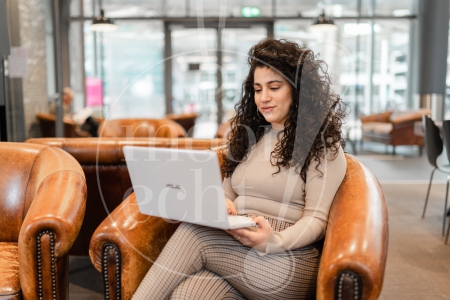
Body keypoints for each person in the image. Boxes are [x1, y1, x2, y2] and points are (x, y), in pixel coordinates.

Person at [132, 38, 348, 300]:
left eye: (274, 87)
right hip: (237, 247)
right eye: (257, 89)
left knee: (195, 233)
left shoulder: (322, 145)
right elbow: (228, 192)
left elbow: (317, 220)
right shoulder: (250, 137)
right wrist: (224, 204)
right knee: (188, 294)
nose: (264, 98)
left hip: (288, 259)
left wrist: (274, 241)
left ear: (298, 89)